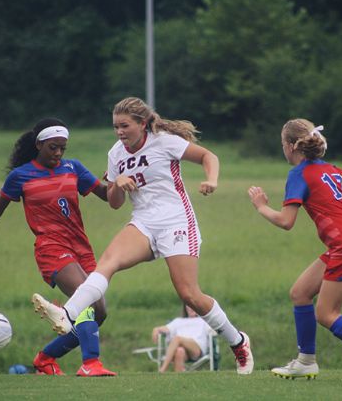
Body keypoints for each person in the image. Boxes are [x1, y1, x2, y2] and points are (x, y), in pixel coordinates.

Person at [32, 97, 254, 374]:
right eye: (115, 127)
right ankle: (68, 314)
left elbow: (209, 156)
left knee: (190, 294)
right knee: (107, 263)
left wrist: (212, 180)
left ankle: (238, 342)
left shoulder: (164, 141)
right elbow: (114, 203)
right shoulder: (116, 154)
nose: (119, 132)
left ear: (142, 123)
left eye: (124, 126)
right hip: (143, 222)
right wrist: (118, 186)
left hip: (176, 221)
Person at [0, 118, 116, 377]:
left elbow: (106, 195)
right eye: (53, 147)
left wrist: (120, 180)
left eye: (62, 148)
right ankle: (90, 364)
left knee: (99, 312)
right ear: (39, 144)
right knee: (85, 300)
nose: (58, 153)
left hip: (82, 248)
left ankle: (45, 358)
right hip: (51, 248)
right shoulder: (21, 176)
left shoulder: (73, 168)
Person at [247, 118, 342, 383]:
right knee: (300, 293)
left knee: (326, 314)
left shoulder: (298, 174)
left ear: (292, 146)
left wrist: (260, 206)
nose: (283, 149)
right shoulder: (334, 170)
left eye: (283, 144)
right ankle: (306, 361)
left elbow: (286, 222)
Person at [152, 304, 213, 373]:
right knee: (179, 351)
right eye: (189, 306)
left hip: (197, 348)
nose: (191, 308)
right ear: (186, 308)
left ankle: (162, 370)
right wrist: (156, 329)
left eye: (194, 306)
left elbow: (213, 330)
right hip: (182, 349)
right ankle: (179, 379)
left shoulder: (203, 321)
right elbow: (166, 329)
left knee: (177, 339)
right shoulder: (178, 321)